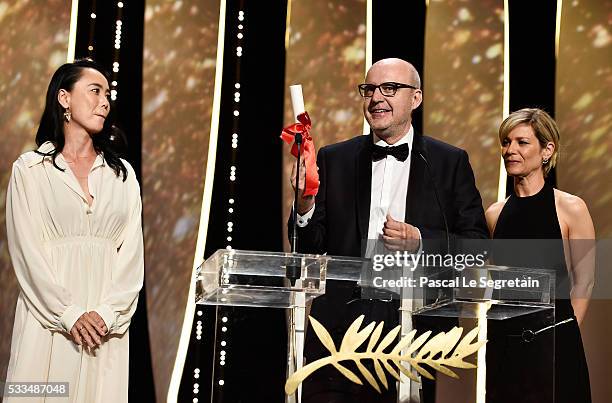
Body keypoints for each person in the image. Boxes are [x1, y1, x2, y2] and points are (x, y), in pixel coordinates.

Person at [289, 58, 488, 402]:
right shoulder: (335, 158)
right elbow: (309, 243)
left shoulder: (448, 162)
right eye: (369, 89)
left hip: (416, 327)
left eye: (390, 88)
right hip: (340, 326)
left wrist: (421, 240)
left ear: (416, 99)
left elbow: (477, 246)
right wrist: (304, 205)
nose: (376, 98)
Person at [4, 59, 144, 403]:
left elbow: (132, 257)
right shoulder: (31, 169)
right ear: (64, 99)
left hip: (103, 334)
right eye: (95, 91)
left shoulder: (122, 175)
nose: (105, 102)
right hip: (47, 325)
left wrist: (106, 316)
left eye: (108, 94)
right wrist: (68, 314)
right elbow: (26, 253)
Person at [485, 108, 594, 402]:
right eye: (506, 142)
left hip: (556, 340)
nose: (510, 150)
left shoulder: (571, 208)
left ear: (547, 150)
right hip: (504, 345)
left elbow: (584, 281)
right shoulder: (494, 214)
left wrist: (561, 333)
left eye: (522, 142)